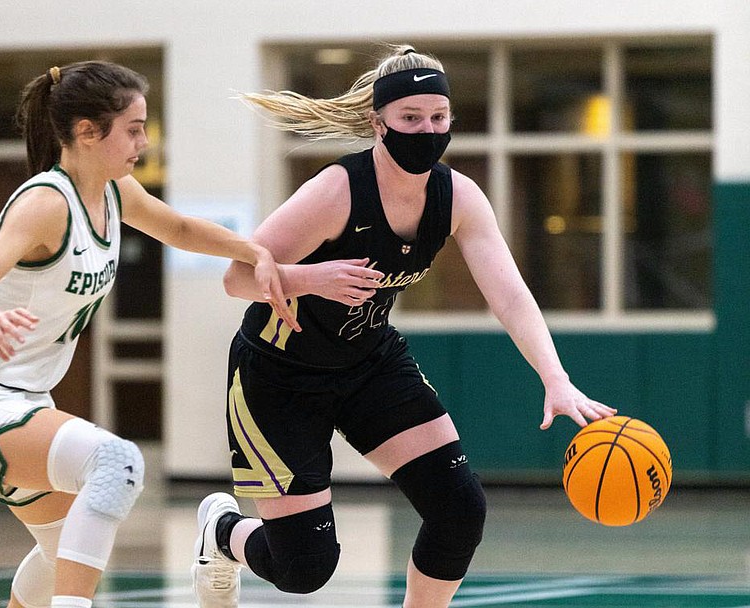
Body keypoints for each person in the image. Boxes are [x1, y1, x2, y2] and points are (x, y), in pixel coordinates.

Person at [190, 45, 617, 608]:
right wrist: (308, 279)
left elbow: (510, 294)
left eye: (438, 118)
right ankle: (221, 532)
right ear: (379, 122)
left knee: (459, 510)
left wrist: (556, 380)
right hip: (279, 375)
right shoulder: (337, 190)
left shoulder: (457, 196)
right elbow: (237, 279)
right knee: (305, 568)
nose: (427, 130)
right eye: (410, 118)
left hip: (370, 363)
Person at [0, 60, 297, 608]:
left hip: (22, 398)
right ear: (87, 132)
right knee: (115, 464)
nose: (143, 140)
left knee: (61, 547)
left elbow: (178, 228)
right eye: (133, 128)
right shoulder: (47, 203)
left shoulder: (115, 192)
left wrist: (251, 250)